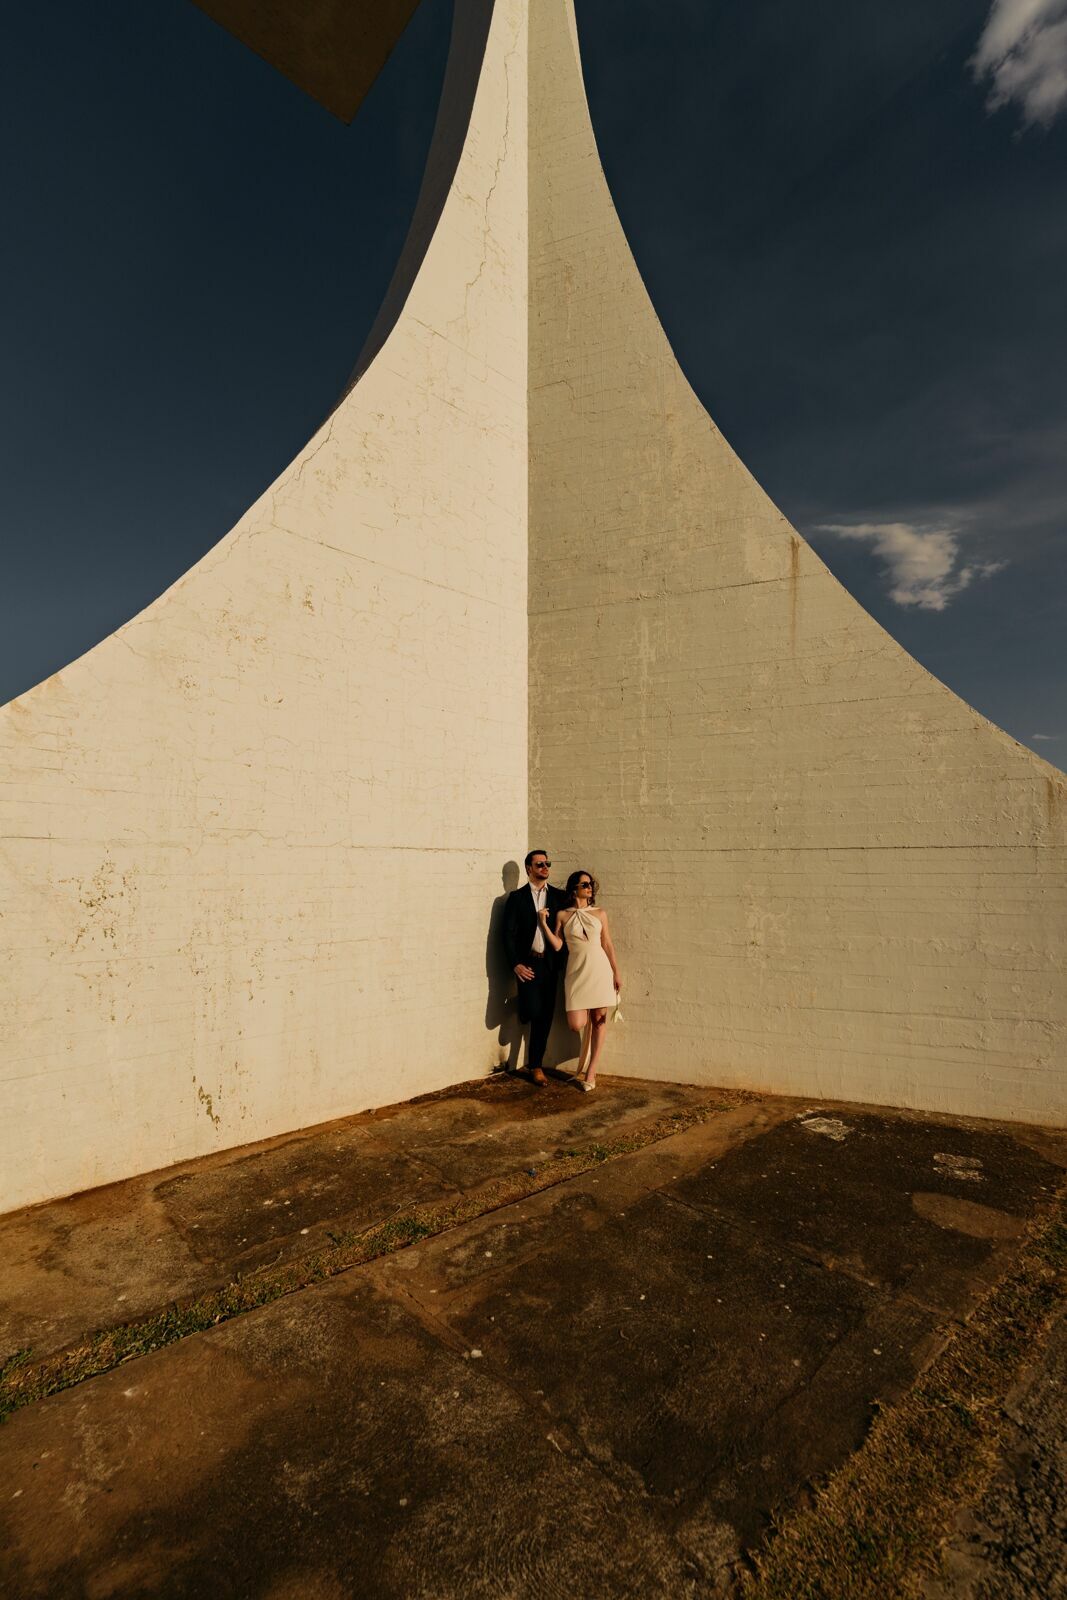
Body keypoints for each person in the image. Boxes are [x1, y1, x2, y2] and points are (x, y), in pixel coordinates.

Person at [540, 869, 620, 1092]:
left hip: (599, 969)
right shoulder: (563, 915)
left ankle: (590, 1072)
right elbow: (557, 946)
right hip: (576, 971)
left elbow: (607, 944)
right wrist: (543, 923)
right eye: (585, 884)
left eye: (591, 884)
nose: (589, 888)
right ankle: (586, 1061)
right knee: (576, 1024)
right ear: (574, 888)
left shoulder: (600, 913)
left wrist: (616, 972)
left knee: (600, 1020)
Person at [501, 849, 568, 1085]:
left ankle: (535, 1066)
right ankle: (524, 1009)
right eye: (539, 864)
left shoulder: (559, 897)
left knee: (544, 1016)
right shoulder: (516, 898)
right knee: (532, 1011)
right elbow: (507, 935)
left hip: (549, 965)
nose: (545, 867)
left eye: (547, 863)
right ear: (529, 868)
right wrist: (515, 965)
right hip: (527, 964)